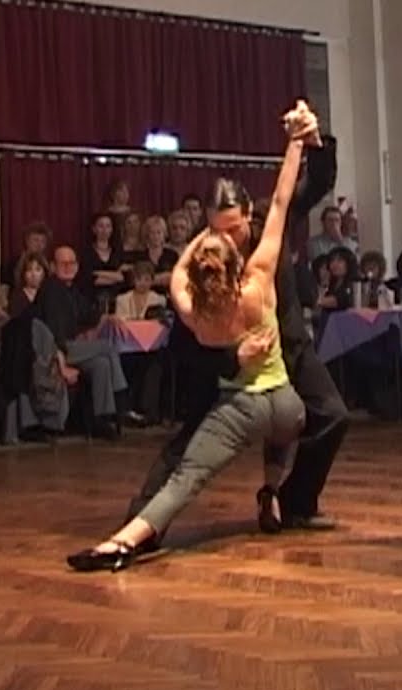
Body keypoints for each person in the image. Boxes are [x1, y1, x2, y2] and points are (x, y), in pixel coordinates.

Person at [67, 104, 320, 572]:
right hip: (287, 405)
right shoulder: (260, 280)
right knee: (284, 428)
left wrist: (204, 235)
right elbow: (281, 202)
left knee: (188, 475)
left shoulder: (193, 311)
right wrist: (295, 144)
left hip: (239, 410)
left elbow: (180, 273)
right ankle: (270, 489)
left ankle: (122, 543)